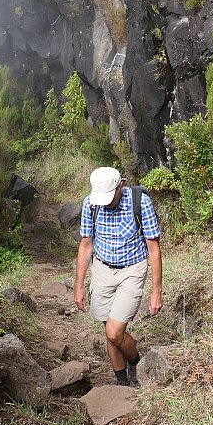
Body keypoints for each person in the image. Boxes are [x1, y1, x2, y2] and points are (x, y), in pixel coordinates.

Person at [74, 166, 163, 387]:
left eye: (109, 197)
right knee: (110, 331)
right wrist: (79, 286)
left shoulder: (139, 202)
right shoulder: (90, 204)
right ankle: (122, 382)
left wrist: (156, 292)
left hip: (132, 269)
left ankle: (135, 362)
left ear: (120, 186)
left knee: (114, 332)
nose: (105, 202)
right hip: (103, 269)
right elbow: (86, 245)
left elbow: (153, 248)